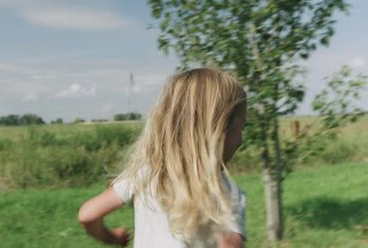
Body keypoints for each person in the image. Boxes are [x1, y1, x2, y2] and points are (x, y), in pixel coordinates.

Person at [78, 67, 248, 247]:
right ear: (219, 129)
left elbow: (88, 215)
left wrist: (112, 237)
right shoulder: (225, 192)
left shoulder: (146, 174)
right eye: (242, 126)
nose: (241, 139)